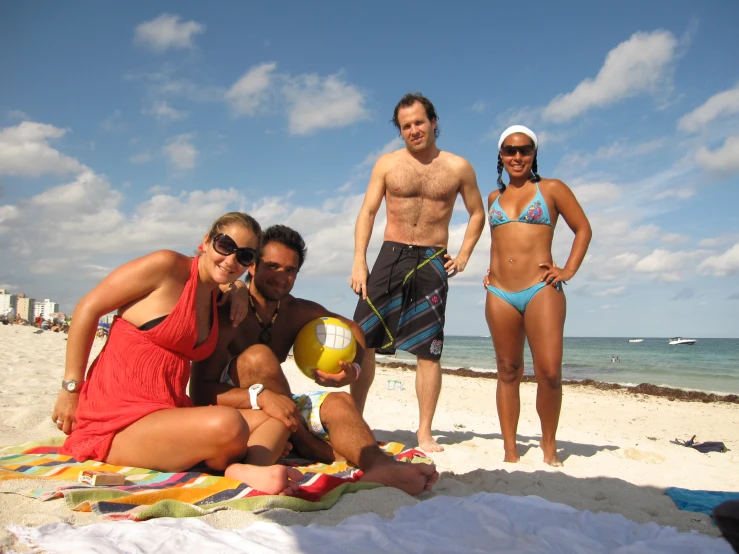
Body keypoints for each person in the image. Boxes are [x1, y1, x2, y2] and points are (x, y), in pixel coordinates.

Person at [53, 212, 302, 495]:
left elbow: (225, 282)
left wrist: (238, 287)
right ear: (206, 241)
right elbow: (88, 308)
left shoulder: (217, 296)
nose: (231, 259)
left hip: (166, 411)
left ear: (250, 264)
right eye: (225, 245)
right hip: (116, 417)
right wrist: (71, 389)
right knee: (228, 424)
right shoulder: (167, 266)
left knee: (279, 417)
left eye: (244, 255)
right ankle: (237, 462)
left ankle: (249, 470)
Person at [191, 225, 439, 496]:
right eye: (272, 266)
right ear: (252, 266)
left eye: (290, 270)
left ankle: (379, 466)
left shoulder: (294, 311)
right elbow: (201, 391)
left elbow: (352, 328)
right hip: (234, 411)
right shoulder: (230, 309)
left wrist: (353, 369)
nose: (281, 277)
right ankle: (306, 443)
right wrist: (259, 398)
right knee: (258, 357)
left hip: (280, 406)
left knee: (339, 402)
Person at [350, 92, 485, 453]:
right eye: (406, 126)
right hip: (389, 255)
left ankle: (424, 433)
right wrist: (359, 261)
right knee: (363, 339)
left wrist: (465, 254)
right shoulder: (387, 164)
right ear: (401, 130)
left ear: (433, 122)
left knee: (429, 349)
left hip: (431, 259)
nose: (414, 130)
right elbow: (367, 213)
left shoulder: (458, 167)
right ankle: (357, 420)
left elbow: (477, 213)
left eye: (419, 122)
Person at [484, 125, 592, 466]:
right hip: (499, 293)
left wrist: (569, 270)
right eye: (510, 150)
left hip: (541, 289)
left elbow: (583, 229)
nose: (517, 156)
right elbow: (501, 241)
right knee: (507, 370)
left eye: (525, 150)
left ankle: (548, 446)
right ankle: (510, 450)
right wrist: (491, 268)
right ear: (500, 156)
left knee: (548, 372)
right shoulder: (493, 199)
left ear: (534, 154)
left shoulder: (552, 189)